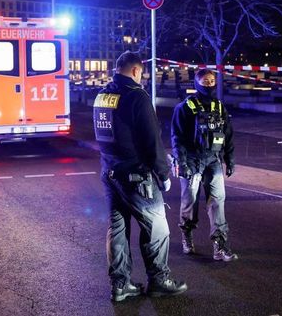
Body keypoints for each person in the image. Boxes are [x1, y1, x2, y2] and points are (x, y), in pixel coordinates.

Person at [94, 51, 187, 302]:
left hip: (111, 172)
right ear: (136, 71)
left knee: (117, 230)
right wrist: (163, 173)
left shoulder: (102, 95)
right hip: (137, 175)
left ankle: (120, 285)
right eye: (142, 73)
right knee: (157, 228)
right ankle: (159, 280)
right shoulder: (137, 96)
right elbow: (151, 140)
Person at [170, 69, 238, 262]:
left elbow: (228, 135)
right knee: (190, 201)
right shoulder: (184, 107)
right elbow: (177, 137)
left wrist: (230, 159)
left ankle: (220, 246)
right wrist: (182, 162)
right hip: (191, 160)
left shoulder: (219, 107)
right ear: (196, 83)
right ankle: (187, 235)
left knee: (217, 202)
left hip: (212, 160)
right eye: (205, 81)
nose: (209, 84)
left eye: (211, 81)